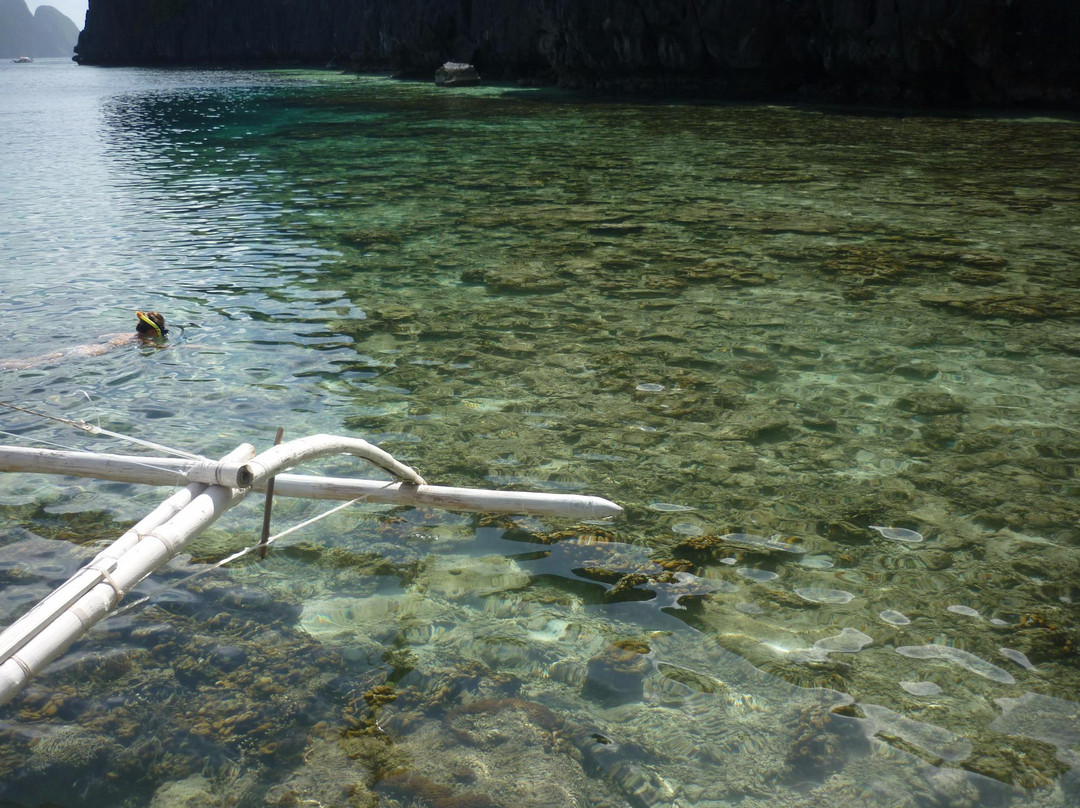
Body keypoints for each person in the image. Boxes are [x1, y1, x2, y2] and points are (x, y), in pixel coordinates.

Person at [1, 310, 168, 370]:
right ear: (153, 331)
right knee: (33, 365)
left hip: (85, 346)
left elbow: (103, 336)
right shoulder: (144, 341)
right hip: (93, 352)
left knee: (31, 360)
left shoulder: (126, 334)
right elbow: (162, 348)